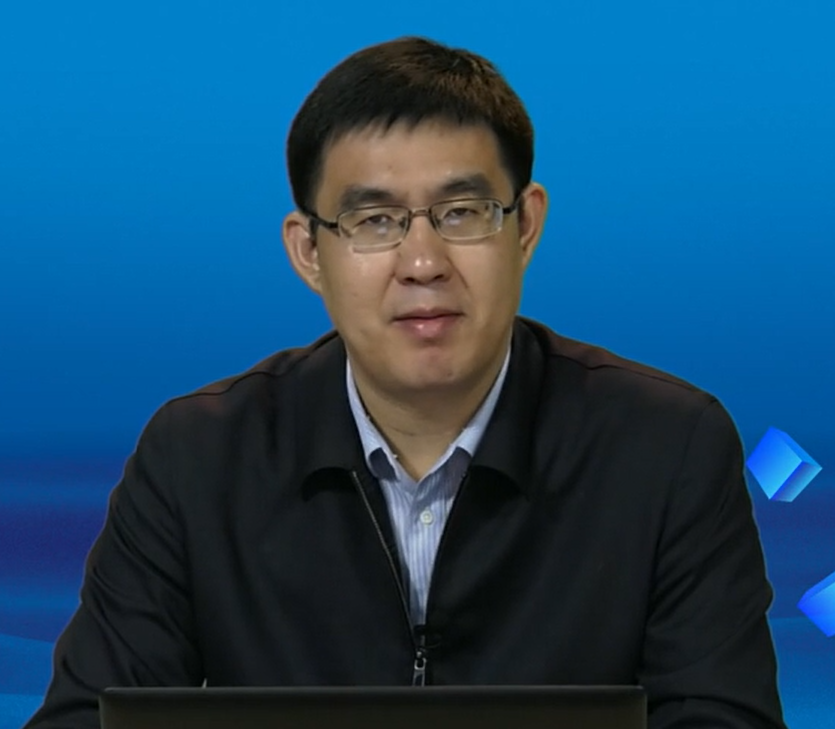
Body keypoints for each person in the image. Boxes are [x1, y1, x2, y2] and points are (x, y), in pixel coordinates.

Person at [25, 36, 786, 729]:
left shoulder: (666, 446)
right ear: (308, 252)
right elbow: (85, 719)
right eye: (375, 221)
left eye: (462, 212)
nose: (422, 263)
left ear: (524, 226)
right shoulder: (198, 456)